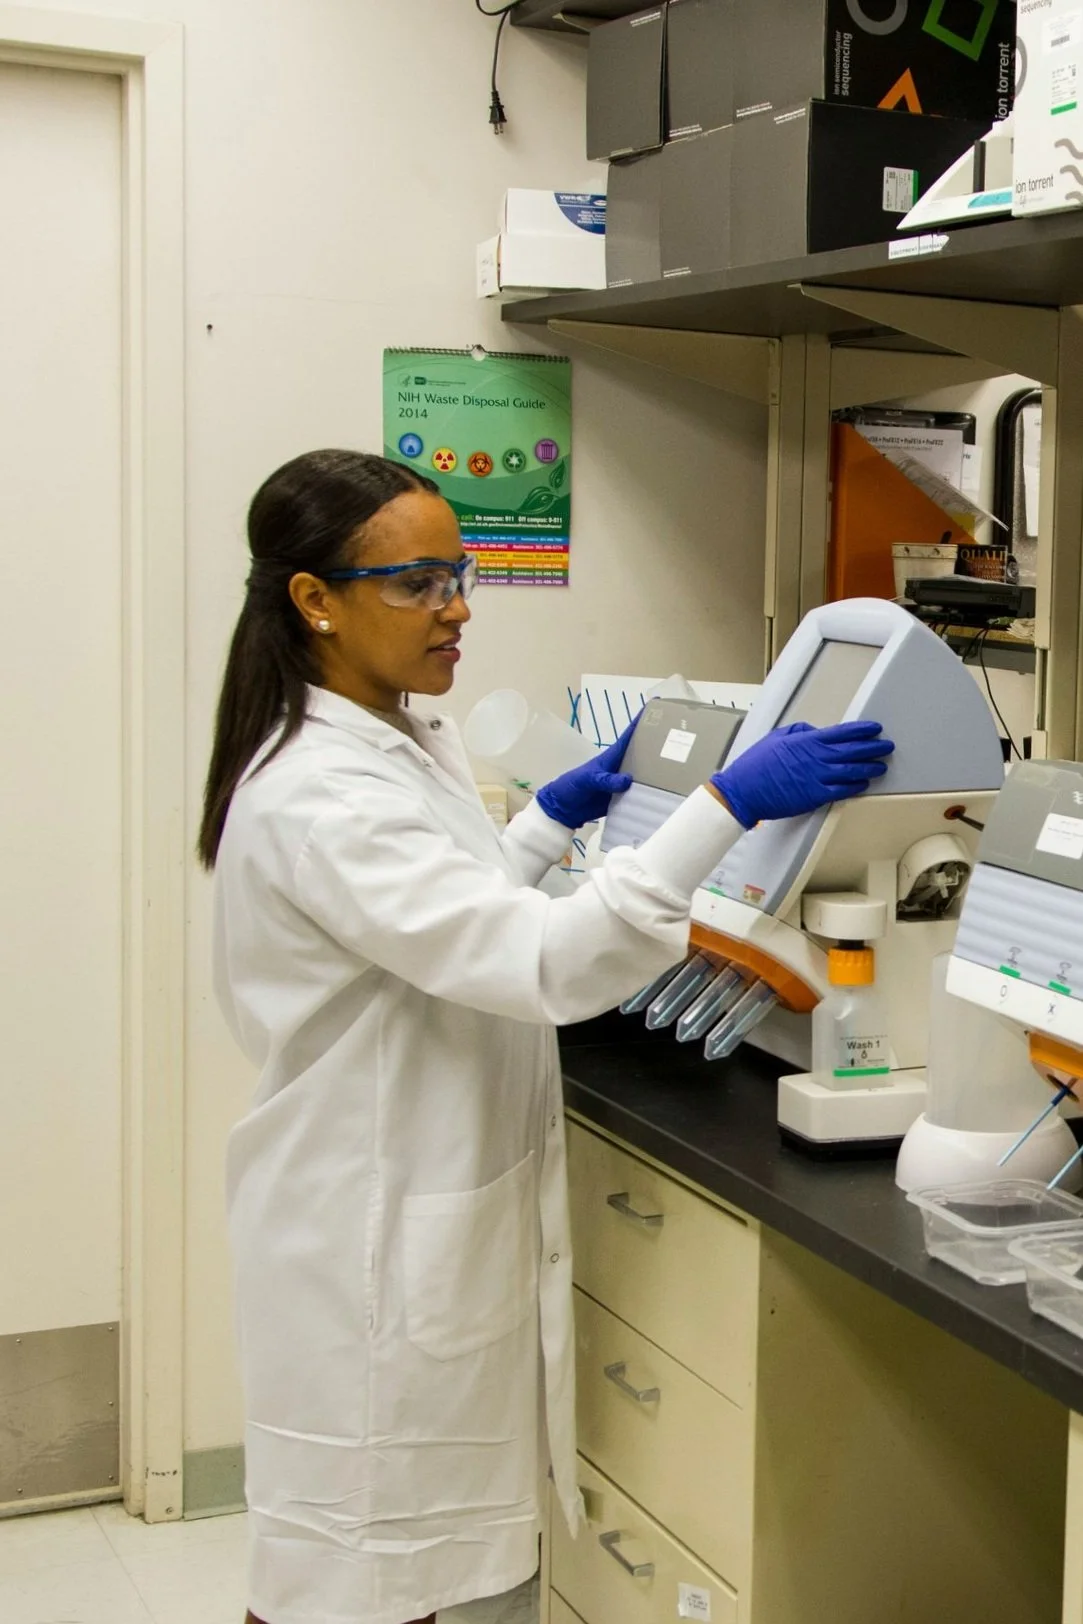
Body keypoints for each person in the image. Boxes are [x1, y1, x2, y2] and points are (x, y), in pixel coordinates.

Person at [201, 449, 894, 1624]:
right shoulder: (321, 792)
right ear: (315, 601)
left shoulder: (398, 737)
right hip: (364, 1237)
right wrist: (725, 805)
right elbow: (540, 964)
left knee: (386, 1573)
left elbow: (448, 920)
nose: (456, 607)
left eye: (459, 575)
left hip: (403, 1205)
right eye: (417, 583)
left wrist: (542, 826)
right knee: (347, 1580)